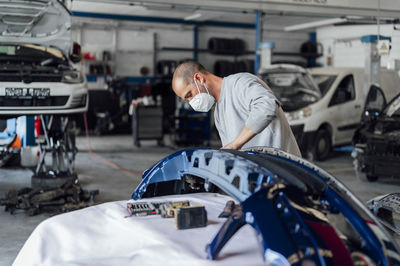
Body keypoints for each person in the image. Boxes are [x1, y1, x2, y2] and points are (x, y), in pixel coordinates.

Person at [172, 61, 301, 157]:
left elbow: (266, 106)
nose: (191, 102)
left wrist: (235, 144)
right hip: (260, 177)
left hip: (284, 172)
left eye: (189, 95)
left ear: (199, 79)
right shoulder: (218, 113)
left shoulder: (239, 84)